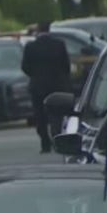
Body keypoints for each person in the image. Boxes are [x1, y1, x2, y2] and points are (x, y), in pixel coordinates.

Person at [22, 21, 72, 153]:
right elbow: (66, 66)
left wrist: (35, 75)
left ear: (38, 30)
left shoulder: (31, 47)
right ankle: (57, 138)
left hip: (38, 87)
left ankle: (45, 143)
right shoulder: (59, 44)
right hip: (57, 86)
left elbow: (25, 67)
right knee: (57, 114)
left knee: (40, 116)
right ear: (49, 30)